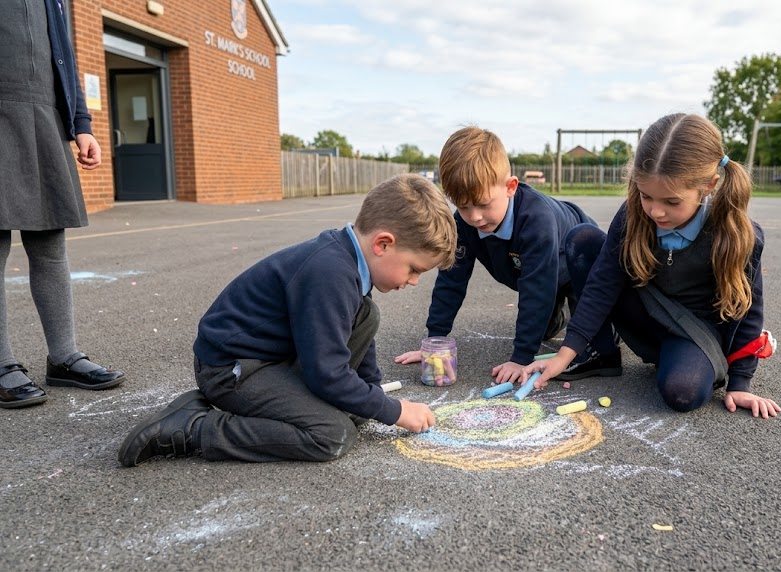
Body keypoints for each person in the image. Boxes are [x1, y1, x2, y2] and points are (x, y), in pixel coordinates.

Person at [117, 174, 456, 466]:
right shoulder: (330, 273)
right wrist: (394, 410)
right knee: (331, 435)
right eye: (414, 269)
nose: (413, 281)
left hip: (271, 358)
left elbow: (354, 328)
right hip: (231, 370)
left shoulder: (346, 262)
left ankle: (331, 404)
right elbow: (327, 373)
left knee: (367, 315)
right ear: (383, 243)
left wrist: (372, 399)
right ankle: (195, 427)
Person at [521, 114, 780, 418]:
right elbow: (602, 282)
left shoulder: (736, 233)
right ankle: (601, 353)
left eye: (672, 201)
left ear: (709, 186)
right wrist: (565, 354)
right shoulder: (634, 214)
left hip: (692, 334)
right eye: (646, 196)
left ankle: (688, 362)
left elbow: (749, 308)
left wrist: (741, 382)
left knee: (683, 392)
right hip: (644, 314)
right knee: (583, 241)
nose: (656, 211)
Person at [394, 127, 616, 383]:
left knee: (588, 331)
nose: (475, 217)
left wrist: (521, 358)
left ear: (510, 187)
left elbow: (536, 289)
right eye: (464, 206)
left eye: (483, 204)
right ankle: (556, 313)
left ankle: (607, 322)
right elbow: (450, 281)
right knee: (540, 327)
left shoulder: (536, 221)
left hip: (579, 261)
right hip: (541, 274)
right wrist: (435, 342)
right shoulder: (464, 224)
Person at [0, 0, 125, 409]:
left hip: (47, 118)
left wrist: (81, 125)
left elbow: (64, 58)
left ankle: (64, 356)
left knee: (51, 244)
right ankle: (1, 364)